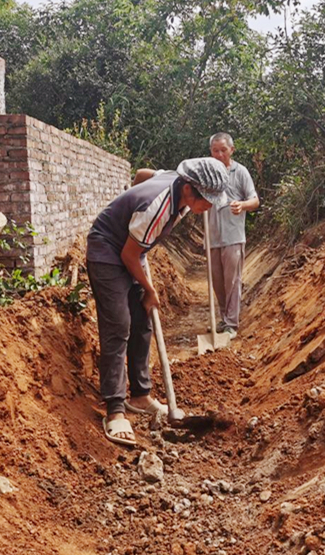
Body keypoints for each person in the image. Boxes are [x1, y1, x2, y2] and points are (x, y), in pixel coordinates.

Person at [86, 158, 230, 446]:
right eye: (208, 200)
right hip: (107, 252)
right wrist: (149, 289)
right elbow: (129, 255)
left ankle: (140, 395)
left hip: (128, 250)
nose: (210, 207)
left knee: (142, 320)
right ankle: (114, 410)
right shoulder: (159, 208)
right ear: (189, 190)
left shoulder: (173, 180)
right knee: (119, 326)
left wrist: (133, 214)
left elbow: (141, 174)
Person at [206, 132, 259, 337]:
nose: (219, 155)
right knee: (218, 283)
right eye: (215, 151)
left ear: (232, 150)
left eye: (223, 150)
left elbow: (254, 201)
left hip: (233, 236)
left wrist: (242, 205)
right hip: (212, 237)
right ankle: (223, 318)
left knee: (233, 281)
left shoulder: (241, 172)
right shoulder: (207, 173)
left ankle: (231, 323)